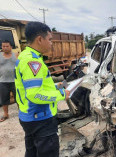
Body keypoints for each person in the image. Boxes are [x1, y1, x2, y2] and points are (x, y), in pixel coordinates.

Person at [14, 22, 70, 157]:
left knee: (32, 152)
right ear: (40, 39)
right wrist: (61, 94)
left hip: (29, 117)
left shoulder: (25, 55)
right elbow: (34, 94)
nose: (51, 43)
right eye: (49, 39)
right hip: (40, 120)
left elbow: (36, 86)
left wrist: (57, 86)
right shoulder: (33, 62)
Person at [0, 40, 17, 122]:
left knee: (18, 98)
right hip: (3, 81)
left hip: (15, 81)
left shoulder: (16, 55)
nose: (5, 48)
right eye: (3, 46)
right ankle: (6, 114)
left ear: (11, 47)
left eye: (7, 46)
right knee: (4, 99)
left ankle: (22, 113)